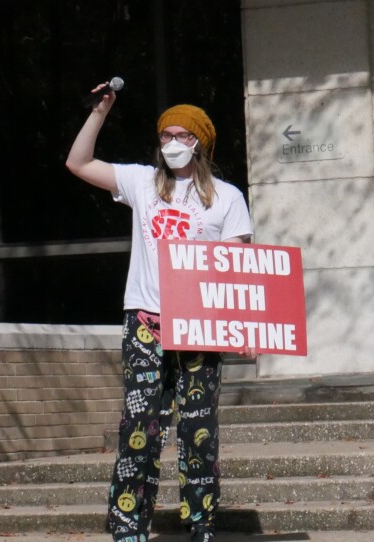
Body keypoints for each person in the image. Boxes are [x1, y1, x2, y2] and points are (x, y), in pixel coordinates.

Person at [65, 84, 253, 542]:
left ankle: (201, 523)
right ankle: (128, 525)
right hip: (146, 323)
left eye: (182, 136)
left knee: (198, 430)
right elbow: (79, 163)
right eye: (165, 135)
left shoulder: (226, 199)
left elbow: (239, 272)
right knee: (140, 428)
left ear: (199, 143)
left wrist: (243, 327)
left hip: (201, 330)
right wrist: (100, 111)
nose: (172, 143)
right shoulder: (142, 184)